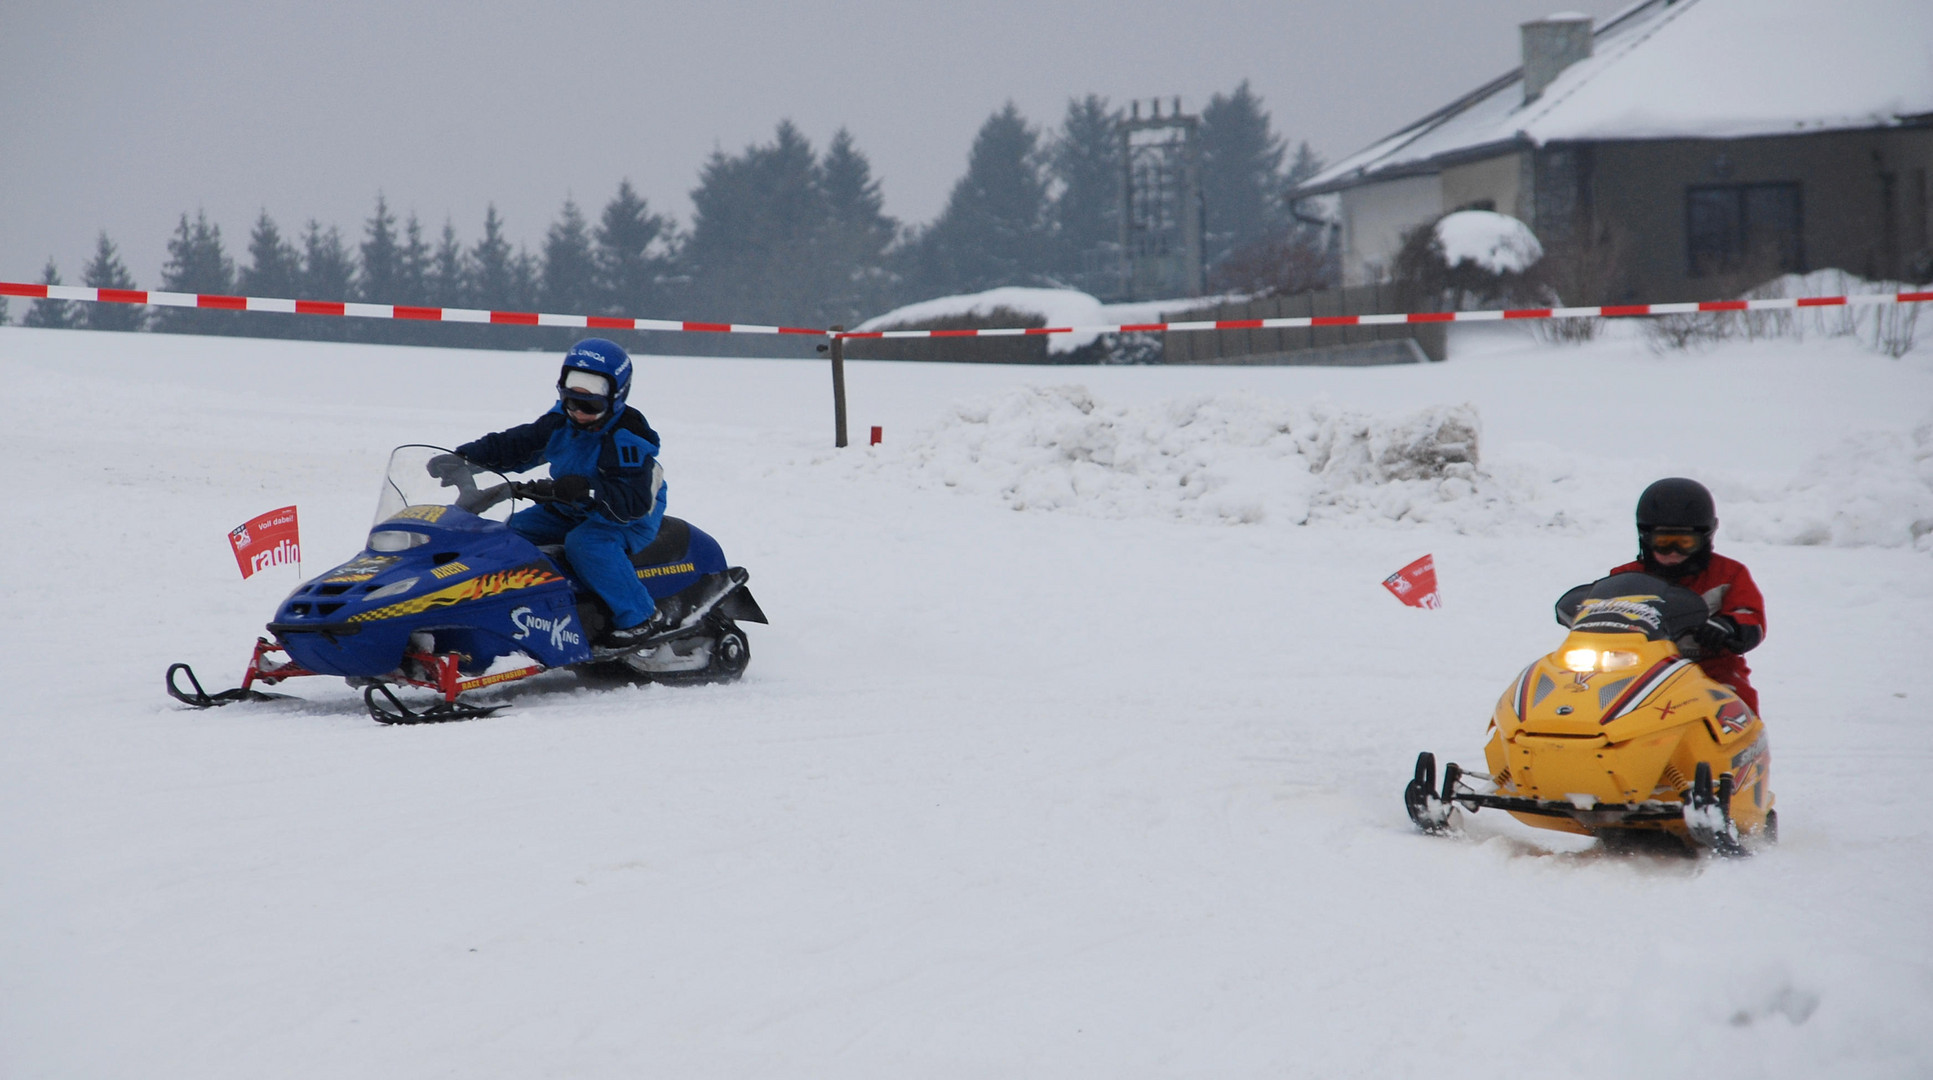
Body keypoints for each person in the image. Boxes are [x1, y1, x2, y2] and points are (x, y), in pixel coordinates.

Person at [432, 338, 670, 648]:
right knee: (510, 534)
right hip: (568, 503)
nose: (578, 412)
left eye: (590, 405)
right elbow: (520, 444)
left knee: (586, 544)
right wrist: (467, 458)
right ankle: (518, 614)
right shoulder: (562, 420)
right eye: (572, 401)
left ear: (615, 397)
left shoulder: (627, 439)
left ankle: (640, 617)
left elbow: (633, 502)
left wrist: (590, 490)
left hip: (624, 513)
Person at [1603, 477, 1766, 713]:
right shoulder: (1626, 577)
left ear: (1705, 539)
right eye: (1664, 542)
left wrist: (1729, 627)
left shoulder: (1729, 574)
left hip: (1706, 665)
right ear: (1646, 540)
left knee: (1733, 702)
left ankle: (1739, 745)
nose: (1673, 553)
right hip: (1637, 667)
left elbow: (1750, 615)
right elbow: (1600, 608)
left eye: (1684, 543)